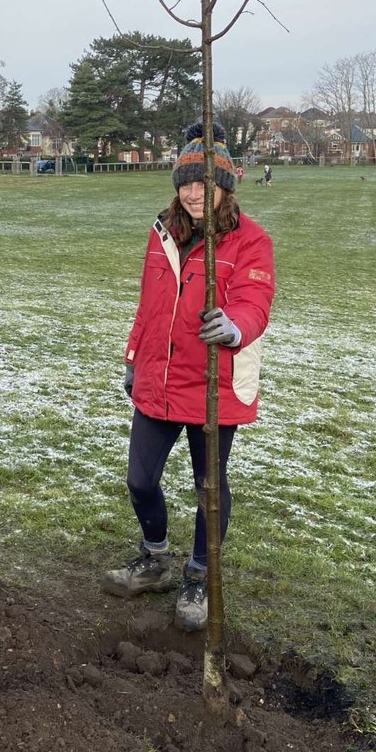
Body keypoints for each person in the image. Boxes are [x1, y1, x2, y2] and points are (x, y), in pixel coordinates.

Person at [103, 122, 275, 631]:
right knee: (140, 478)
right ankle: (154, 557)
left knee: (209, 487)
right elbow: (148, 306)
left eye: (204, 183)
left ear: (225, 185)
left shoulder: (250, 241)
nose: (193, 193)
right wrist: (134, 357)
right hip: (158, 378)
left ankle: (200, 573)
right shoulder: (162, 232)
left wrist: (236, 326)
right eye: (185, 182)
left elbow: (256, 302)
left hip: (213, 385)